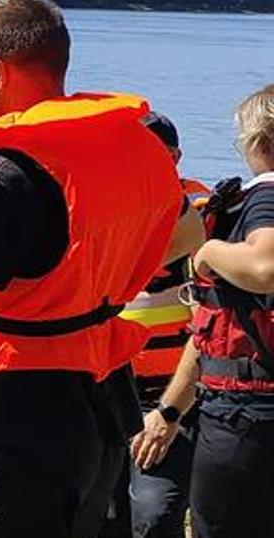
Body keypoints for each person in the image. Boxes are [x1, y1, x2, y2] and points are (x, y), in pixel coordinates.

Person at [0, 0, 199, 538]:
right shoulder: (137, 148)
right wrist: (89, 269)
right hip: (100, 402)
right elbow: (189, 231)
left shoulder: (5, 176)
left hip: (13, 421)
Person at [133, 84, 274, 538]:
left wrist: (210, 252)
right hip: (209, 400)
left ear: (260, 142)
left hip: (243, 411)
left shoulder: (254, 201)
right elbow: (212, 325)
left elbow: (264, 267)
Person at [106, 112, 206, 538]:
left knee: (154, 517)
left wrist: (169, 414)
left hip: (174, 402)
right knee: (104, 521)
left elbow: (213, 328)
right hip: (108, 398)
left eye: (155, 156)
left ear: (176, 157)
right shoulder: (102, 215)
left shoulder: (204, 219)